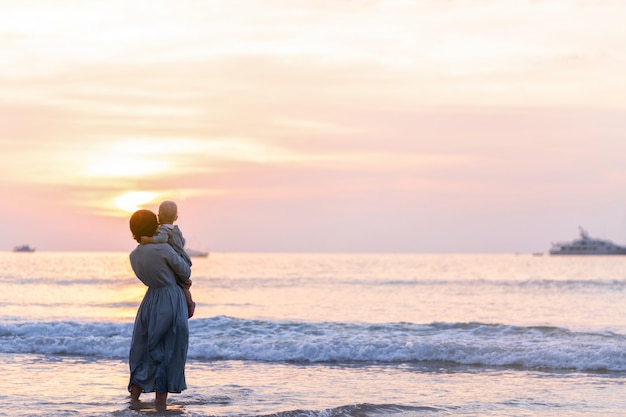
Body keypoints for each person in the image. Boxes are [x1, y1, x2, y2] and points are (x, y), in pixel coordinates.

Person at [128, 209, 192, 408]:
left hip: (150, 300)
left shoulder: (134, 255)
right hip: (170, 298)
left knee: (145, 348)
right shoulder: (163, 249)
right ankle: (161, 403)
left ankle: (134, 399)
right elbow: (185, 270)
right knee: (168, 347)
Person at [141, 200, 196, 318]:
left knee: (182, 284)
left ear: (158, 216)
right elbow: (182, 242)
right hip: (182, 257)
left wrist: (149, 240)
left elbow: (162, 239)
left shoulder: (164, 230)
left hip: (178, 259)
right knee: (183, 284)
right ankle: (189, 302)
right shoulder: (176, 230)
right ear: (176, 217)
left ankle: (190, 304)